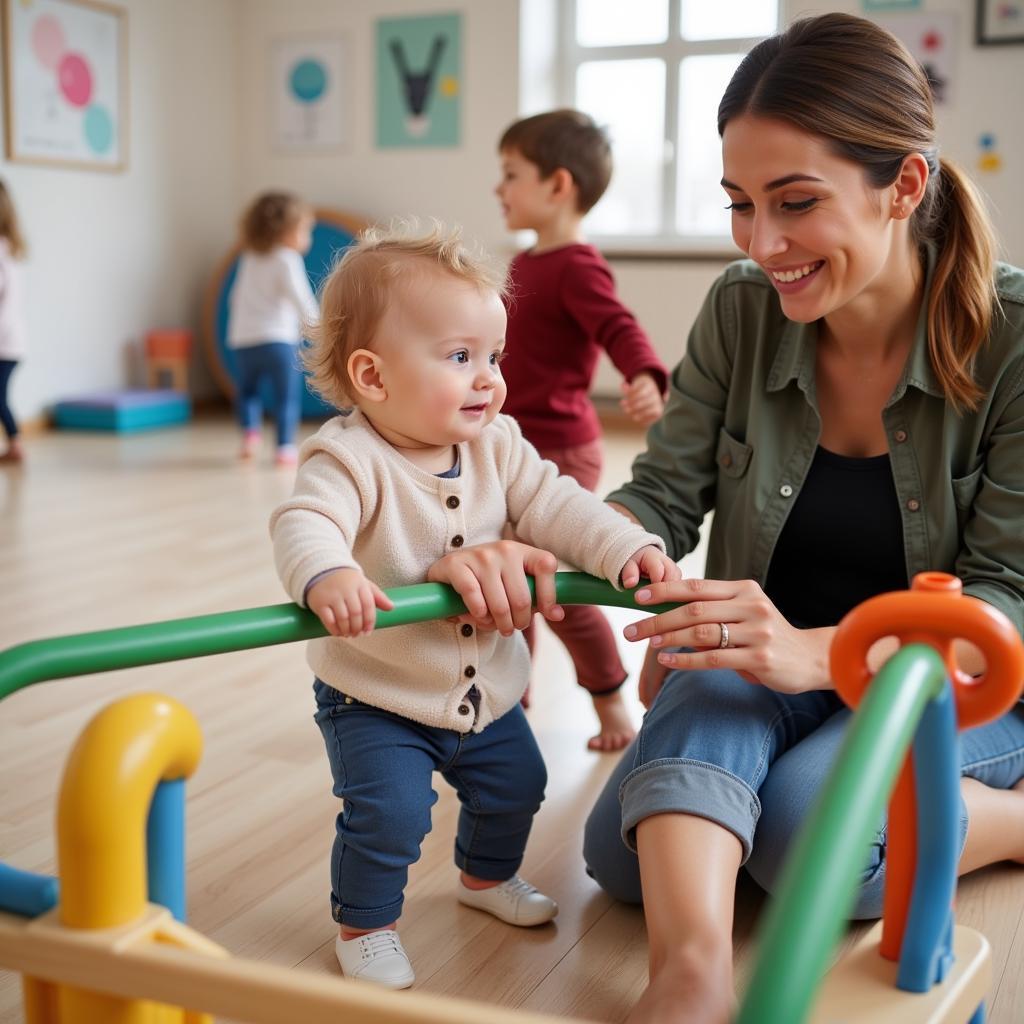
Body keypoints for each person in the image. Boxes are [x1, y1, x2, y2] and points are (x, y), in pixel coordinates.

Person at [568, 13, 1024, 1024]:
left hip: (938, 687)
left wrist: (826, 654)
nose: (760, 243)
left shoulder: (1014, 345)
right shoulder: (739, 309)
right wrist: (557, 536)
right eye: (739, 204)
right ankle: (688, 979)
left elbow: (1009, 603)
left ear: (903, 185)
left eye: (795, 202)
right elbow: (660, 496)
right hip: (763, 662)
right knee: (618, 855)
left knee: (798, 837)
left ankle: (1008, 820)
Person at [269, 223, 679, 990]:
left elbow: (560, 506)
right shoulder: (349, 456)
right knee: (388, 815)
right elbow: (305, 522)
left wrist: (624, 549)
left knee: (518, 787)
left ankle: (485, 879)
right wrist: (327, 574)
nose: (489, 377)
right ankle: (365, 924)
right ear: (373, 376)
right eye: (461, 358)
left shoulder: (502, 445)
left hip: (487, 688)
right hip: (377, 692)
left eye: (494, 356)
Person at [496, 109, 669, 752]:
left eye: (511, 174)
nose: (499, 188)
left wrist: (646, 373)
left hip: (562, 449)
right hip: (509, 449)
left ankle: (608, 701)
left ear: (557, 185)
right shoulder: (522, 263)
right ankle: (506, 706)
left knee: (553, 590)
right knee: (502, 585)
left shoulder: (576, 265)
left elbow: (618, 327)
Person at [227, 190, 317, 465]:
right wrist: (320, 329)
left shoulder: (249, 257)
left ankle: (249, 436)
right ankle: (284, 446)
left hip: (243, 339)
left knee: (248, 392)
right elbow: (301, 299)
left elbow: (234, 298)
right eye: (304, 230)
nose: (306, 238)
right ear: (287, 231)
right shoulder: (287, 259)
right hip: (278, 339)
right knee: (286, 396)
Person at [0, 181, 27, 465]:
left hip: (5, 344)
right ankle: (15, 443)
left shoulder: (2, 252)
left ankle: (16, 444)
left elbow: (5, 309)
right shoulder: (9, 251)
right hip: (10, 342)